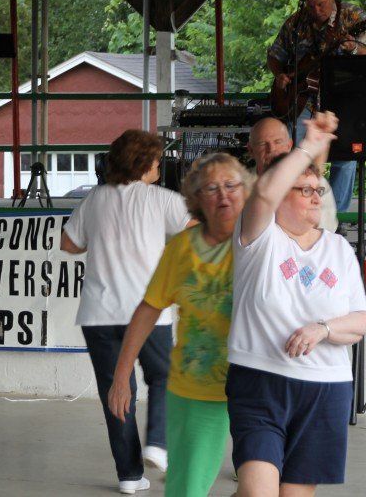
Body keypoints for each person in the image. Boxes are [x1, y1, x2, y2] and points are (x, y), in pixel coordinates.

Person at [229, 111, 366, 495]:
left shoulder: (338, 248)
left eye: (317, 191)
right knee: (259, 492)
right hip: (261, 381)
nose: (313, 197)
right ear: (280, 196)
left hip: (326, 388)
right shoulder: (259, 238)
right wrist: (308, 146)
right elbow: (263, 194)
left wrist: (323, 329)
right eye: (302, 190)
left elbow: (360, 321)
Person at [108, 153, 252, 497]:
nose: (223, 195)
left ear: (246, 191)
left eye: (231, 185)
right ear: (196, 198)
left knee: (264, 486)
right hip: (197, 387)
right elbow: (149, 308)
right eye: (211, 188)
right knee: (186, 489)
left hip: (259, 385)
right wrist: (121, 375)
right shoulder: (182, 248)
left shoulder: (261, 242)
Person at [61, 129, 192, 495]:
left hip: (99, 312)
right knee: (165, 377)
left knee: (117, 392)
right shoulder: (162, 200)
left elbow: (69, 244)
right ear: (145, 163)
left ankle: (130, 476)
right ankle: (157, 442)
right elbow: (197, 229)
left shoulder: (94, 200)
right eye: (156, 159)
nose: (159, 165)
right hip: (148, 311)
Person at [267, 0, 366, 214]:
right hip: (304, 99)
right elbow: (275, 56)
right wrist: (279, 75)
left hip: (343, 97)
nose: (316, 11)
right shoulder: (296, 22)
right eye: (311, 6)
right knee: (297, 152)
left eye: (321, 5)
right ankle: (296, 211)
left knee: (345, 157)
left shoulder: (353, 17)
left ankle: (335, 217)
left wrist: (352, 47)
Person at [248, 117, 336, 232]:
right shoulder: (239, 186)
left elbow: (326, 229)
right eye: (262, 144)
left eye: (278, 142)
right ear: (250, 150)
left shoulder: (316, 183)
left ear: (289, 145)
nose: (271, 149)